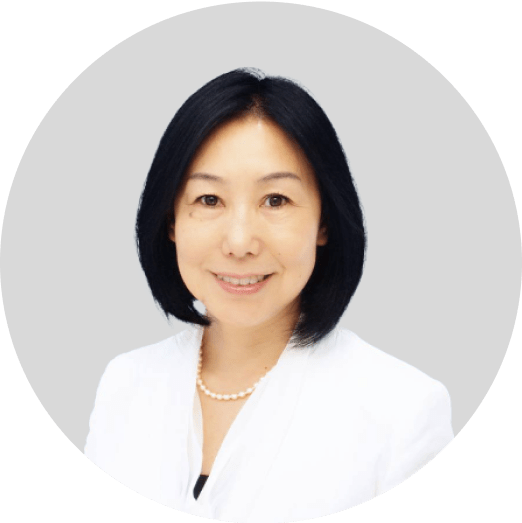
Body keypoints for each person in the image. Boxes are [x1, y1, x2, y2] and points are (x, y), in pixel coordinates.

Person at [84, 68, 454, 522]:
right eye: (209, 200)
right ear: (171, 221)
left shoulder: (402, 412)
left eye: (276, 200)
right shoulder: (125, 385)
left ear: (323, 223)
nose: (240, 242)